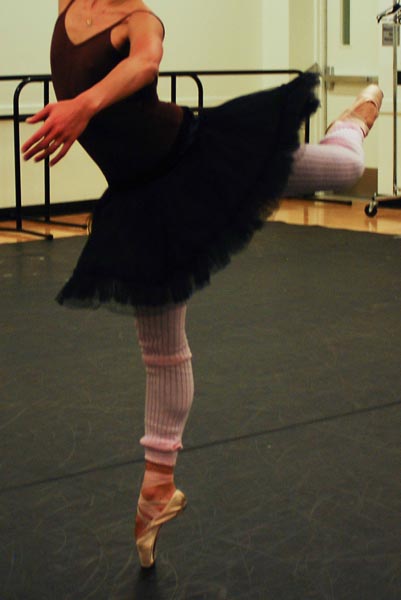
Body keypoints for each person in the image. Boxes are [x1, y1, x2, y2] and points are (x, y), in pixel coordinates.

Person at [22, 0, 383, 569]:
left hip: (195, 158)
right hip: (140, 195)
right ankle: (157, 488)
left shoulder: (140, 19)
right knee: (161, 352)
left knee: (342, 171)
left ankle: (351, 126)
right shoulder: (67, 4)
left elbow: (145, 62)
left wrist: (81, 107)